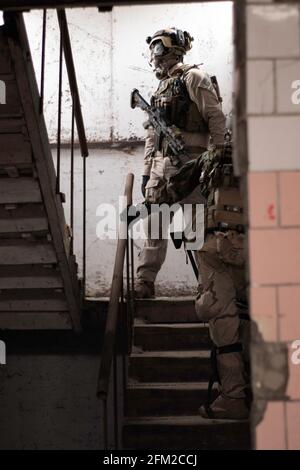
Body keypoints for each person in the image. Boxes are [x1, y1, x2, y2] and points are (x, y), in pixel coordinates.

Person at [144, 143, 250, 420]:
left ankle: (234, 398)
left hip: (215, 246)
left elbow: (170, 191)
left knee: (223, 322)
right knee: (256, 320)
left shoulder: (209, 157)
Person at [135, 27, 226, 299]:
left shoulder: (194, 77)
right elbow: (153, 134)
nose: (156, 57)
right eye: (153, 51)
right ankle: (145, 282)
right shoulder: (160, 87)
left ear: (175, 49)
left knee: (196, 229)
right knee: (153, 225)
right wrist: (146, 172)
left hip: (192, 164)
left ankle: (208, 286)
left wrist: (217, 158)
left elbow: (216, 118)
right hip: (161, 166)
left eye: (160, 49)